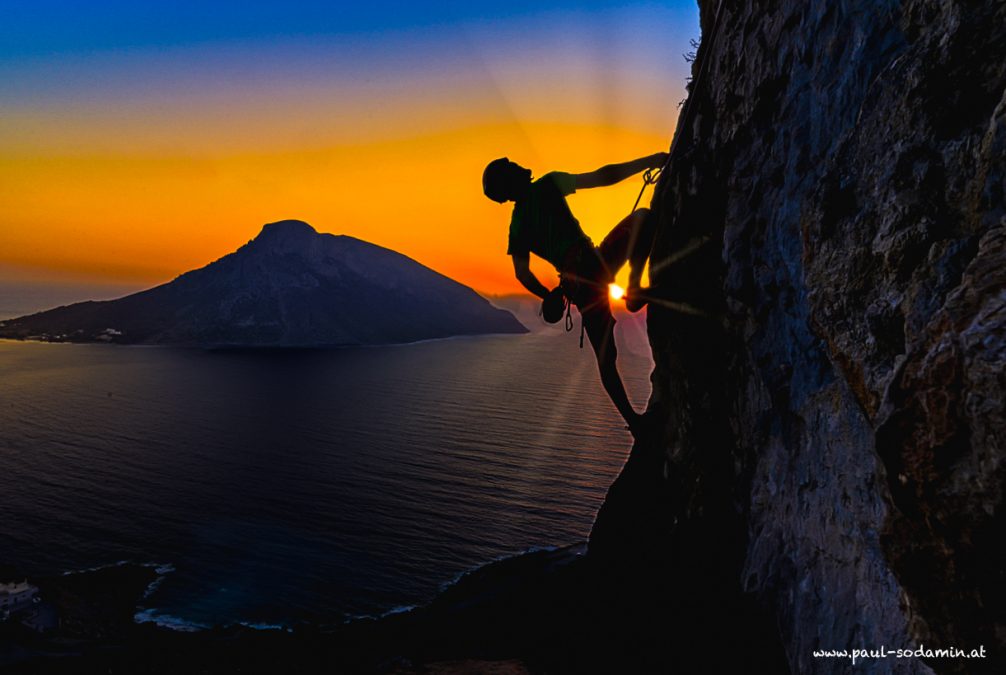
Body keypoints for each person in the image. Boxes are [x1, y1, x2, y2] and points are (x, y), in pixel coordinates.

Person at [482, 153, 666, 436]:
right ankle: (632, 288)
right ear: (508, 181)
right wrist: (649, 161)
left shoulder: (517, 224)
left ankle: (635, 422)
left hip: (579, 285)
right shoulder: (547, 185)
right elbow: (603, 176)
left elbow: (522, 273)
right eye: (511, 166)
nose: (518, 164)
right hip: (596, 264)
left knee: (606, 359)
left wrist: (547, 295)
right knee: (643, 218)